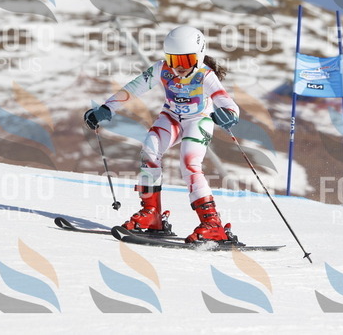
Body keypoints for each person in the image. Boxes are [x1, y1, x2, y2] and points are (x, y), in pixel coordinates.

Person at [84, 26, 239, 242]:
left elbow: (228, 103)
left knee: (189, 163)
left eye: (186, 60)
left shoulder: (205, 75)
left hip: (198, 120)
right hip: (172, 117)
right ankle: (151, 214)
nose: (179, 67)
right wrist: (107, 108)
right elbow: (134, 88)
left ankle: (212, 224)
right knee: (149, 149)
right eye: (173, 60)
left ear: (199, 56)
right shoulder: (162, 69)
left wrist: (229, 115)